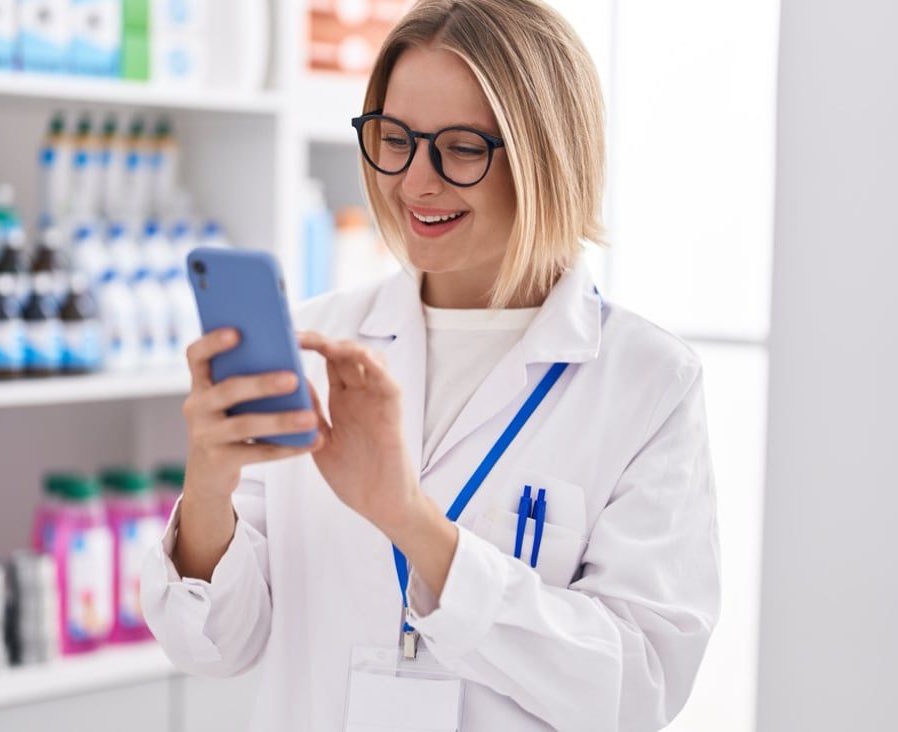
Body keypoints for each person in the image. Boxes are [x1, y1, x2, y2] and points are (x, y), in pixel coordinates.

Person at [141, 1, 720, 729]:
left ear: (546, 154)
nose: (416, 181)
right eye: (395, 138)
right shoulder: (313, 342)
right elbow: (212, 645)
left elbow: (638, 688)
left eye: (460, 148)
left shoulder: (646, 382)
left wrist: (412, 523)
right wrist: (209, 481)